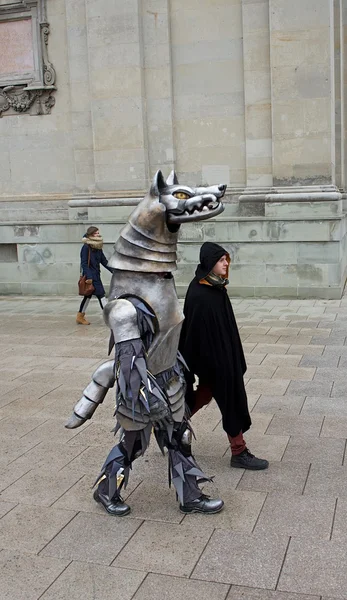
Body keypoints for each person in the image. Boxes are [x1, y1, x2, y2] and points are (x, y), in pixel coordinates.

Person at [179, 241, 269, 470]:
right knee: (231, 402)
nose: (226, 263)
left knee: (207, 395)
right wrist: (217, 364)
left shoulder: (216, 287)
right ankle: (239, 452)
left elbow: (226, 327)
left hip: (222, 360)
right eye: (221, 260)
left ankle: (173, 426)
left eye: (226, 259)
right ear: (210, 263)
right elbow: (195, 333)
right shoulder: (200, 293)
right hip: (213, 363)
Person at [76, 226, 113, 325]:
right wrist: (89, 277)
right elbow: (84, 264)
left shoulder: (97, 246)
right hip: (91, 277)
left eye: (98, 233)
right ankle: (110, 317)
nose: (98, 234)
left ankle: (80, 316)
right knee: (101, 295)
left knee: (87, 297)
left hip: (96, 275)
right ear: (91, 234)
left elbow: (104, 261)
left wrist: (114, 271)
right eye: (96, 233)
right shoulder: (86, 247)